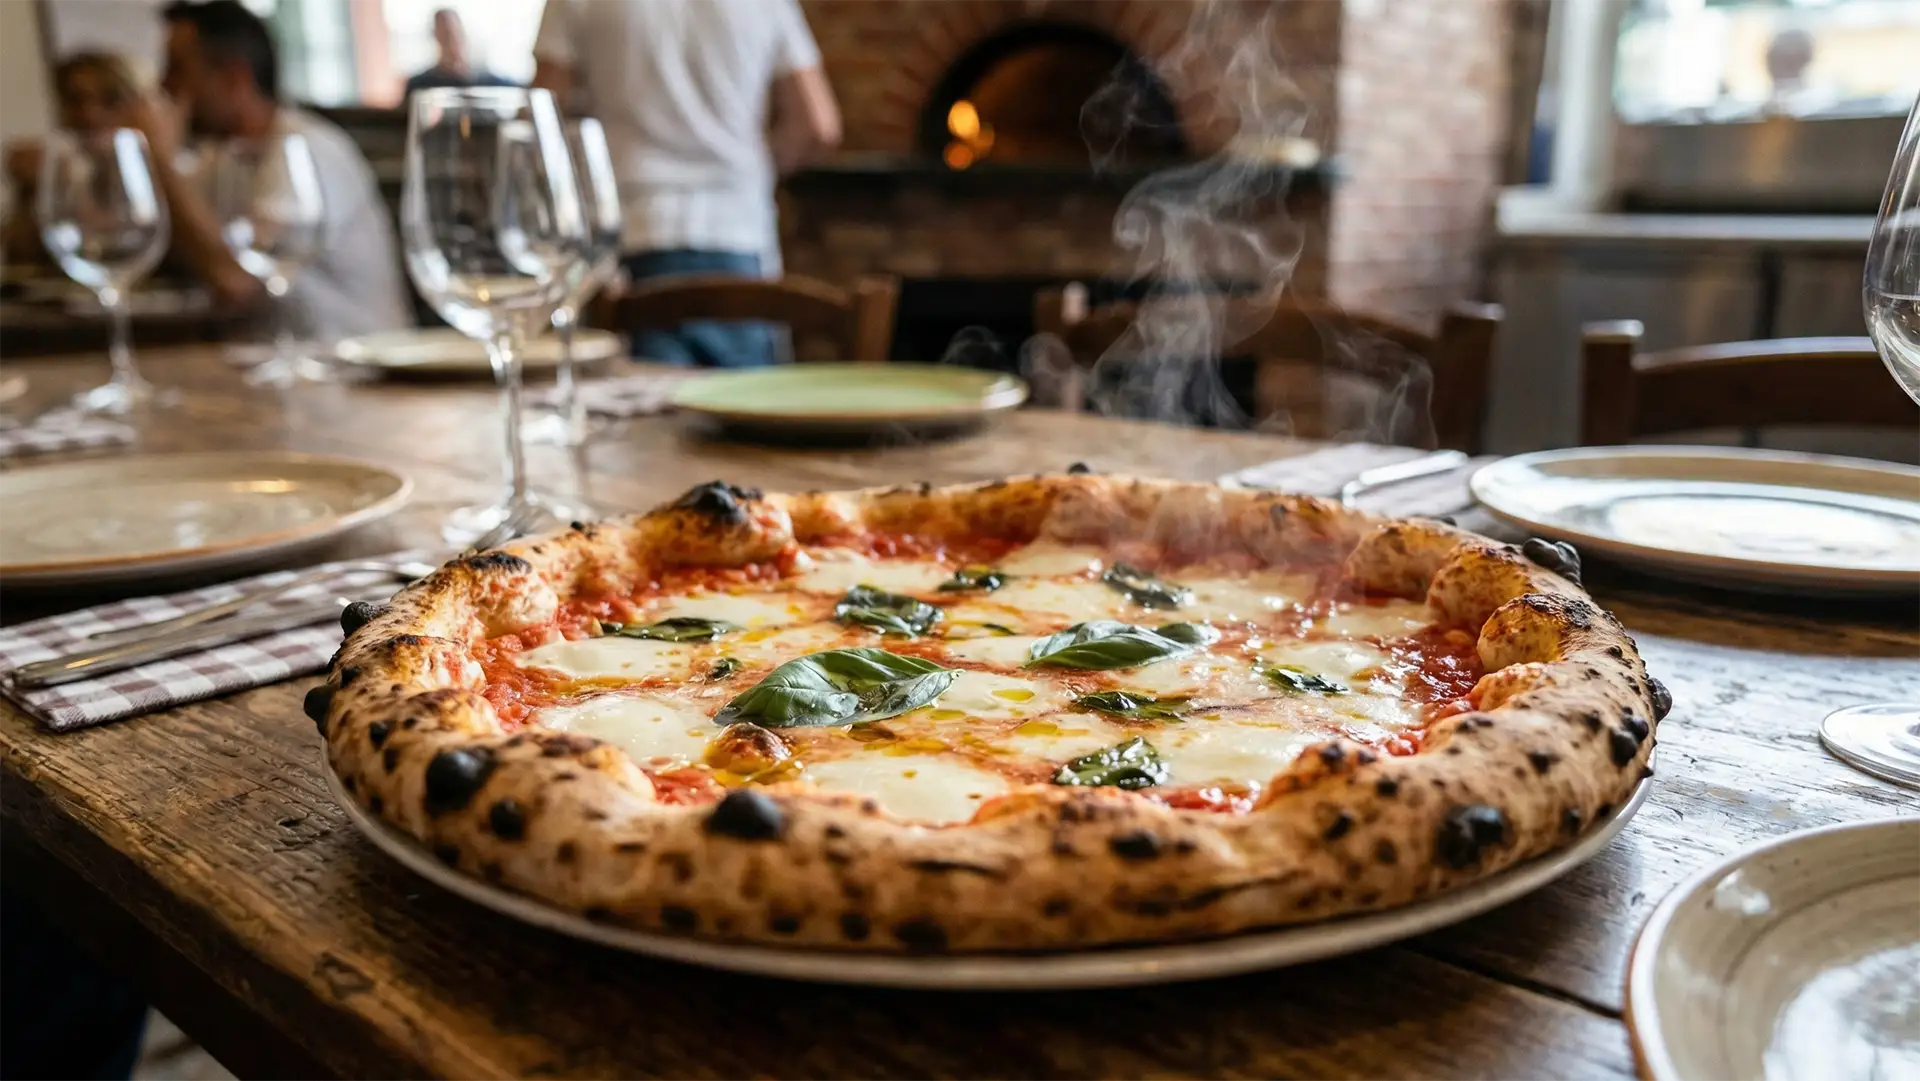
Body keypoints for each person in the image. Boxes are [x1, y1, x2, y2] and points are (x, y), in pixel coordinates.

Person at [532, 0, 842, 367]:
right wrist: (756, 170)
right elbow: (819, 126)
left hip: (632, 236)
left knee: (635, 418)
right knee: (744, 413)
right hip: (738, 235)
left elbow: (540, 120)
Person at [145, 0, 409, 341]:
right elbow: (158, 242)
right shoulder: (221, 157)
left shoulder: (306, 148)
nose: (162, 86)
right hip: (274, 374)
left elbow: (234, 283)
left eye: (177, 68)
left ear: (233, 78)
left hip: (354, 373)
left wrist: (162, 160)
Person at [3, 53, 145, 267]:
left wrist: (64, 183)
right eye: (75, 100)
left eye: (109, 100)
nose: (89, 113)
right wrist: (30, 194)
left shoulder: (156, 171)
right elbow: (20, 261)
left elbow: (119, 248)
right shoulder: (55, 164)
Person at [405, 9, 517, 97]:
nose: (453, 41)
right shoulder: (419, 85)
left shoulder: (486, 81)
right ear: (435, 37)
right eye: (446, 35)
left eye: (456, 33)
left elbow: (519, 92)